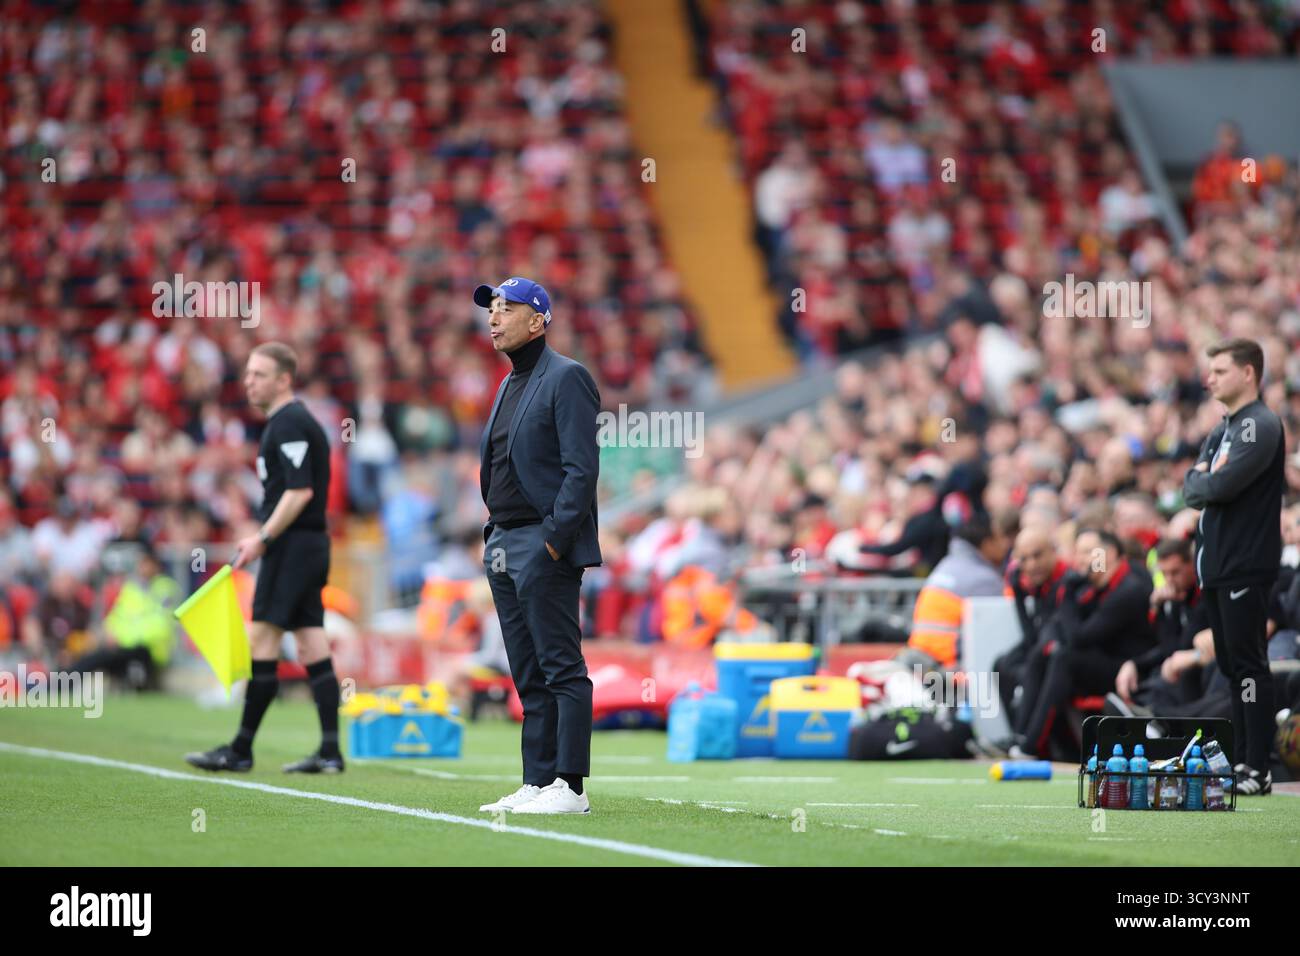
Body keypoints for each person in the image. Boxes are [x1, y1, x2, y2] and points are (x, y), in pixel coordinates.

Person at [473, 278, 601, 815]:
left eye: (508, 308)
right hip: (504, 540)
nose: (495, 317)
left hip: (539, 542)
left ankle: (570, 786)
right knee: (526, 671)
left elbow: (581, 469)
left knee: (560, 666)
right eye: (492, 308)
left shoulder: (567, 377)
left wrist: (552, 541)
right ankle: (538, 779)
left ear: (539, 320)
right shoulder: (508, 384)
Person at [185, 342, 342, 774]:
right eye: (248, 373)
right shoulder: (292, 422)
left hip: (291, 546)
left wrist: (262, 537)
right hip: (310, 545)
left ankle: (240, 749)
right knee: (311, 641)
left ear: (284, 379)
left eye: (258, 374)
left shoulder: (288, 422)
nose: (248, 381)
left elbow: (299, 491)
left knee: (262, 640)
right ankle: (330, 751)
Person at [1183, 337, 1286, 794]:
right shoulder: (1221, 429)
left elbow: (1219, 485)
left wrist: (1205, 481)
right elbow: (1190, 487)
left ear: (1248, 373)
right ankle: (1240, 761)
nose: (1210, 379)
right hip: (1217, 566)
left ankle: (1256, 766)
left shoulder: (1257, 426)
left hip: (1245, 564)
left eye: (1220, 370)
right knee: (1230, 667)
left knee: (1248, 667)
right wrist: (1203, 481)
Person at [1008, 528, 1155, 759]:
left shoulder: (1130, 587)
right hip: (1103, 661)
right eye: (1078, 553)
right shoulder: (1094, 583)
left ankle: (1031, 746)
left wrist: (1066, 594)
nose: (1082, 560)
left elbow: (1078, 638)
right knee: (1041, 653)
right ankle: (1020, 738)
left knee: (1064, 658)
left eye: (1089, 552)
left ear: (1110, 553)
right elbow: (1059, 628)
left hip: (1132, 671)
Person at [905, 509, 1017, 670]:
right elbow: (998, 633)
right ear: (986, 543)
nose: (1005, 545)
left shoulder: (946, 565)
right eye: (999, 538)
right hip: (949, 668)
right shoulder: (984, 580)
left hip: (921, 661)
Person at [993, 525, 1070, 723]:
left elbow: (1058, 632)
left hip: (1064, 652)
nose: (1032, 564)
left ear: (1053, 552)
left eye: (1037, 555)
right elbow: (1029, 634)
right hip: (1041, 645)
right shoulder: (1026, 581)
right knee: (1001, 664)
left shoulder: (1067, 579)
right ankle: (1015, 735)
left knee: (1037, 664)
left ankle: (1025, 739)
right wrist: (1018, 591)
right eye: (1024, 559)